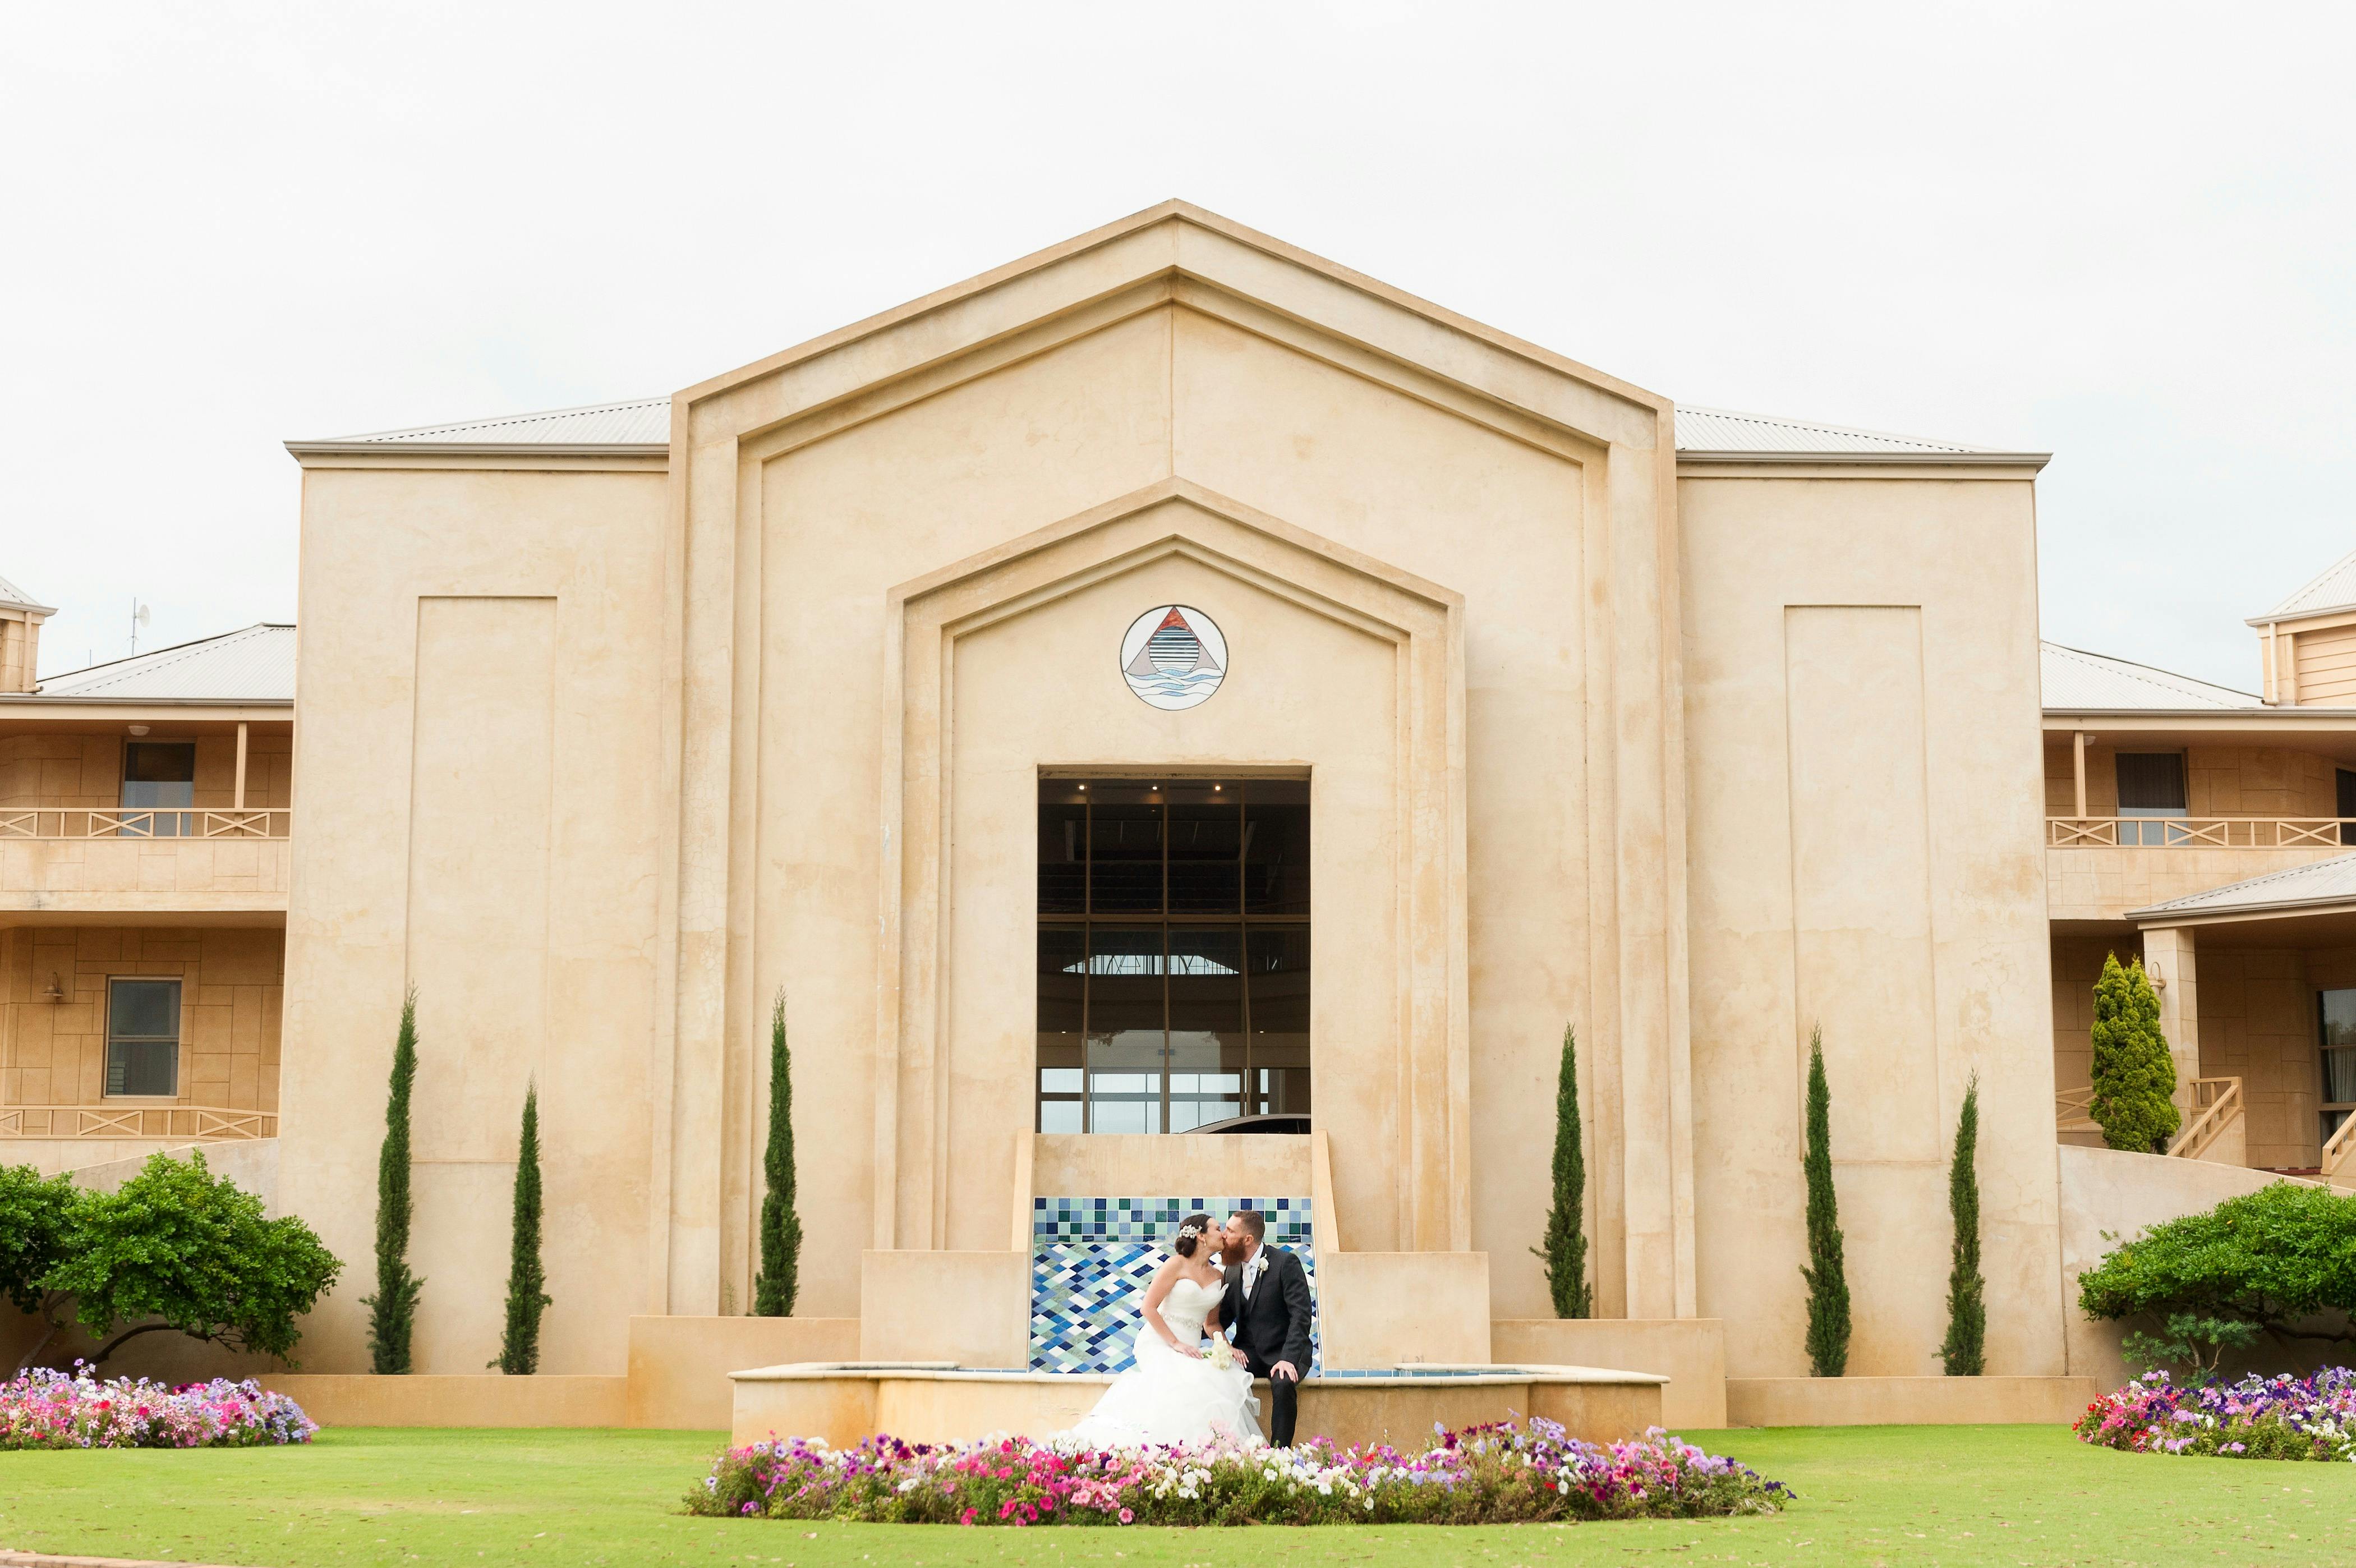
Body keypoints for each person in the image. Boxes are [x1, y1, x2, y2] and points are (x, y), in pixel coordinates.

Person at [1063, 1212, 1260, 1447]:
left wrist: (1226, 1347)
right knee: (1183, 1383)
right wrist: (1176, 1344)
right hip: (1160, 1341)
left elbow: (1212, 1324)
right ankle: (1158, 1450)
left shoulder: (1218, 1275)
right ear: (1202, 1237)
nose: (1223, 1234)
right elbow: (1148, 1308)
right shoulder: (1175, 1264)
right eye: (1218, 1229)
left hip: (1192, 1349)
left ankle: (1197, 1454)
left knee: (1217, 1382)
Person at [1220, 1208, 1313, 1447]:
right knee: (1217, 1375)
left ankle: (1279, 1454)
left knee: (1282, 1383)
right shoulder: (1231, 1270)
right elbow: (1223, 1318)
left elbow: (1300, 1315)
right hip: (1249, 1352)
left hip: (1284, 1351)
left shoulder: (1285, 1263)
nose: (1224, 1235)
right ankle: (1228, 1448)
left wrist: (1289, 1358)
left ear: (1248, 1239)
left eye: (1230, 1231)